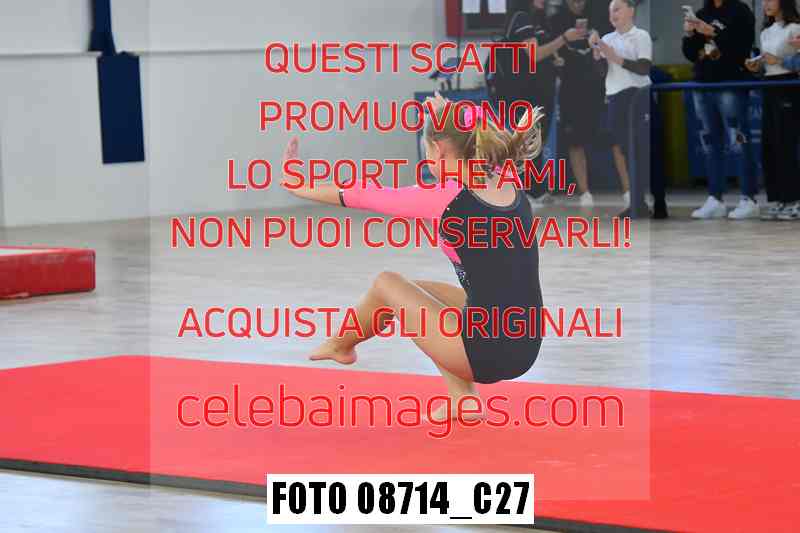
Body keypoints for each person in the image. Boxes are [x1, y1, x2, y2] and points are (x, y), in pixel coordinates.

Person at [279, 94, 546, 422]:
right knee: (420, 293)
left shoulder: (445, 198)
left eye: (427, 150)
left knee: (387, 285)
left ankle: (341, 345)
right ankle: (462, 400)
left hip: (486, 353)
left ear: (439, 150)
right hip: (526, 343)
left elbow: (364, 195)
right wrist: (444, 116)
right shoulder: (507, 179)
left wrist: (299, 187)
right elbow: (462, 139)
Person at [498, 0, 585, 205]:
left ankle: (534, 190)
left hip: (540, 91)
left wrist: (555, 59)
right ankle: (526, 192)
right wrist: (564, 39)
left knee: (536, 140)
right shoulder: (521, 18)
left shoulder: (540, 19)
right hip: (522, 92)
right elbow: (534, 54)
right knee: (528, 140)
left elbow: (544, 48)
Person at [682, 0, 759, 220]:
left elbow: (742, 47)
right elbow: (691, 53)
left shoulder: (740, 10)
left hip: (730, 82)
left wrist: (713, 32)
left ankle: (748, 198)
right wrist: (689, 34)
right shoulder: (702, 12)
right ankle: (715, 198)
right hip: (703, 84)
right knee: (710, 143)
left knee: (739, 140)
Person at [590, 0, 652, 213]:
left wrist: (614, 57)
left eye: (617, 9)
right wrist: (597, 55)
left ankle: (640, 199)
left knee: (638, 148)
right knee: (624, 149)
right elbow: (601, 72)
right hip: (615, 97)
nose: (613, 14)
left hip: (637, 95)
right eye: (610, 11)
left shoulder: (640, 36)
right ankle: (635, 200)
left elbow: (643, 68)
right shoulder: (608, 39)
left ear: (631, 11)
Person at [550, 0, 607, 207]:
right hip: (570, 87)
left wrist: (599, 44)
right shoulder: (556, 21)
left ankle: (628, 190)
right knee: (575, 140)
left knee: (609, 138)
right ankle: (584, 191)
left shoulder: (600, 15)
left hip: (598, 85)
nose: (577, 3)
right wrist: (557, 58)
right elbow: (549, 50)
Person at [748, 0, 800, 221]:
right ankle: (779, 199)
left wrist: (779, 60)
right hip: (769, 86)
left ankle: (794, 200)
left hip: (788, 86)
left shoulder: (795, 28)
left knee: (786, 143)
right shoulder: (766, 32)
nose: (765, 4)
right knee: (770, 145)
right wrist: (757, 66)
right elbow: (768, 63)